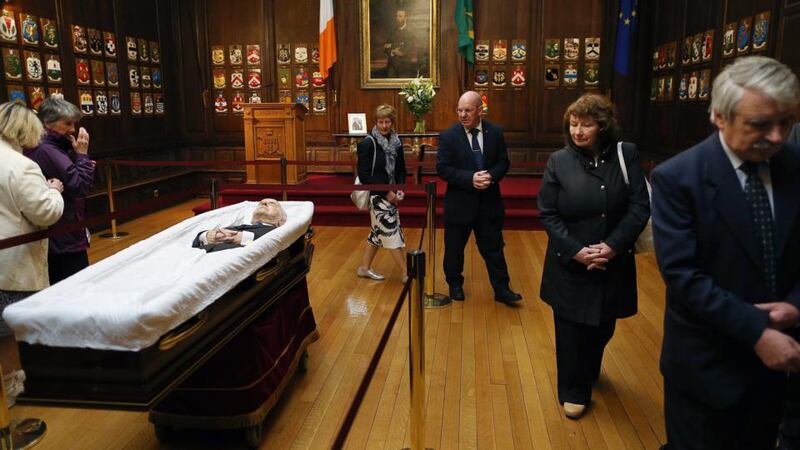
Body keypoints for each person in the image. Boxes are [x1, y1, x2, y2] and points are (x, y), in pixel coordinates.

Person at [651, 56, 800, 450]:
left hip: (780, 364)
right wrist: (756, 329)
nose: (777, 135)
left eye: (786, 122)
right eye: (760, 124)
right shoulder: (678, 178)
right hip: (706, 367)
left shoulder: (796, 166)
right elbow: (684, 277)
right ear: (719, 116)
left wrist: (796, 305)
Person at [537, 93, 650, 419]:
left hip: (611, 261)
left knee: (603, 327)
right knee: (571, 330)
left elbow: (640, 206)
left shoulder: (625, 154)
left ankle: (588, 368)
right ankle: (574, 389)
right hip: (570, 261)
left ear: (602, 126)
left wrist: (613, 246)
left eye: (586, 125)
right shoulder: (558, 161)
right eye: (573, 124)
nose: (578, 131)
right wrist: (575, 251)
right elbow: (547, 213)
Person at [0, 101, 64, 388]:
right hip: (13, 262)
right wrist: (54, 192)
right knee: (14, 327)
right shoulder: (21, 165)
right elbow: (44, 212)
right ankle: (21, 384)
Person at [436, 91, 521, 304]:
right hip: (459, 204)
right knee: (454, 250)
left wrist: (491, 177)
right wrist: (470, 178)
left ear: (479, 110)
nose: (462, 115)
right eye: (459, 110)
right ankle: (455, 284)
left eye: (468, 110)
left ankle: (502, 290)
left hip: (488, 204)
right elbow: (443, 168)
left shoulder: (495, 132)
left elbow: (503, 162)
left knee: (494, 250)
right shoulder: (448, 136)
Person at [25, 97, 95, 284]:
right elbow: (80, 186)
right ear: (48, 123)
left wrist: (78, 159)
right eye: (67, 123)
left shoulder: (54, 147)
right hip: (64, 238)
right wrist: (81, 156)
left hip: (65, 232)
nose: (73, 129)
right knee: (75, 287)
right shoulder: (48, 150)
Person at [355, 104, 407, 282]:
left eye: (387, 122)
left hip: (392, 193)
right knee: (391, 233)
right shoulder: (368, 144)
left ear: (393, 122)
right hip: (377, 196)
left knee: (377, 233)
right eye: (380, 122)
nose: (384, 126)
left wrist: (400, 189)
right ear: (375, 122)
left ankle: (364, 268)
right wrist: (387, 193)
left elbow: (401, 169)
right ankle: (407, 273)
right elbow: (364, 175)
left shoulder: (397, 141)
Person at [193, 198, 286, 253]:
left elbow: (271, 241)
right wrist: (206, 236)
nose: (263, 203)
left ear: (280, 219)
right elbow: (196, 242)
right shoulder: (236, 228)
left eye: (271, 204)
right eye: (260, 204)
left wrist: (244, 238)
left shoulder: (279, 232)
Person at [383, 9, 418, 78]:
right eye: (397, 16)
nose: (397, 18)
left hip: (404, 67)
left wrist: (392, 45)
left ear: (405, 18)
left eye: (400, 16)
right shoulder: (393, 32)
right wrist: (392, 51)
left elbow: (405, 51)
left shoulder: (410, 32)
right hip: (392, 66)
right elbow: (385, 47)